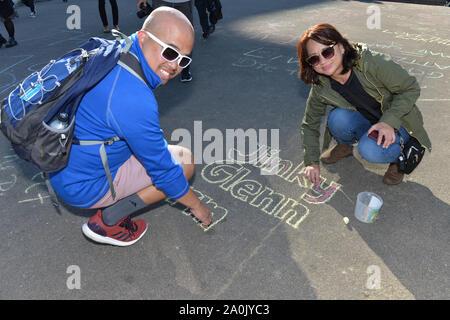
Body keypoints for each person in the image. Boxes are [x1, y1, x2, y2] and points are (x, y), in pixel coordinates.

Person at [49, 7, 212, 246]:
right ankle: (107, 221)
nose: (175, 66)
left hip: (63, 163)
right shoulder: (134, 99)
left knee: (155, 148)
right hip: (83, 184)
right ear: (144, 37)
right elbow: (164, 172)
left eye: (184, 59)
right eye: (170, 52)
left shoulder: (114, 50)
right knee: (183, 162)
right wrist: (197, 207)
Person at [297, 24, 431, 186]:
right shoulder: (321, 85)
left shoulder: (372, 63)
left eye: (327, 52)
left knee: (369, 150)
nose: (323, 61)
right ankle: (345, 145)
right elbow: (309, 123)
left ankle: (398, 161)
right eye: (314, 58)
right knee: (337, 118)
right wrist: (311, 162)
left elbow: (410, 87)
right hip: (367, 120)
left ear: (341, 47)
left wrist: (389, 122)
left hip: (399, 120)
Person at [138, 0, 194, 82]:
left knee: (157, 34)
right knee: (185, 37)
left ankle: (151, 72)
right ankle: (184, 73)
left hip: (164, 2)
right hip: (182, 2)